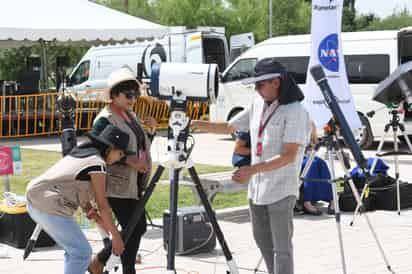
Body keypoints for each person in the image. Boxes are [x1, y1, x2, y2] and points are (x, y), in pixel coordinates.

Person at [192, 58, 311, 274]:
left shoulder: (295, 111)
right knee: (263, 242)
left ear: (276, 82)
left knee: (282, 248)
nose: (256, 89)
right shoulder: (257, 103)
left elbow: (289, 155)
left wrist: (251, 170)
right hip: (257, 189)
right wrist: (195, 124)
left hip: (281, 189)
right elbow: (229, 126)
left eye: (260, 84)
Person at [26, 125, 129, 274]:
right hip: (49, 205)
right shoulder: (97, 163)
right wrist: (116, 237)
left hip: (35, 201)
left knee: (75, 252)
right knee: (81, 253)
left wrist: (95, 216)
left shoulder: (82, 153)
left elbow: (79, 192)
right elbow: (103, 205)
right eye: (120, 153)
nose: (120, 158)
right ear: (110, 148)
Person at [88, 67, 156, 274]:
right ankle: (124, 268)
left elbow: (140, 147)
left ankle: (100, 261)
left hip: (133, 182)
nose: (133, 98)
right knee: (135, 226)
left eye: (135, 94)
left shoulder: (129, 114)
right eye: (128, 94)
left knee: (135, 227)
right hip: (115, 185)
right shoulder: (104, 119)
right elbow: (98, 152)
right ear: (114, 94)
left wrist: (150, 132)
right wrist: (128, 161)